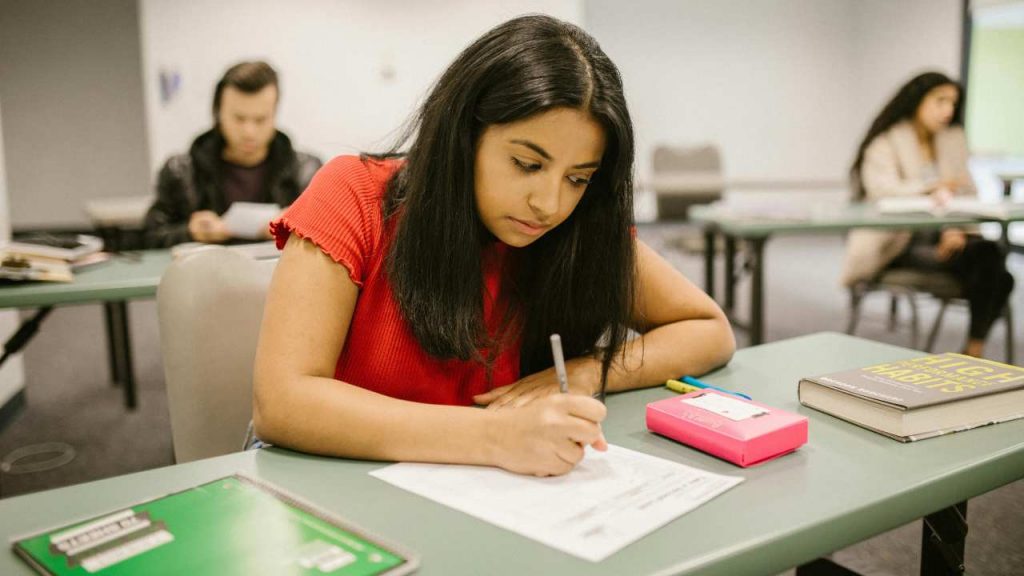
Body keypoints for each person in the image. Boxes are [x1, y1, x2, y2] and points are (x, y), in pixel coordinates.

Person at [252, 15, 735, 477]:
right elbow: (283, 403)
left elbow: (708, 330)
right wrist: (493, 436)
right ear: (464, 134)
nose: (549, 204)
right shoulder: (355, 194)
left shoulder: (579, 229)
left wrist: (590, 372)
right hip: (339, 488)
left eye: (578, 178)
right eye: (527, 164)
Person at [843, 71, 1014, 358]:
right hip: (898, 242)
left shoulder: (952, 140)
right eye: (940, 101)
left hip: (947, 238)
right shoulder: (886, 140)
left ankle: (973, 349)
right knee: (996, 270)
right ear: (917, 101)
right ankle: (974, 351)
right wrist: (930, 187)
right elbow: (881, 191)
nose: (947, 110)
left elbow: (965, 193)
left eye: (952, 103)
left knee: (992, 264)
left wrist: (956, 229)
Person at [143, 61, 322, 248]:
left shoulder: (306, 171)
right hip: (206, 274)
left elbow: (333, 239)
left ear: (275, 114)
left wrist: (295, 227)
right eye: (239, 118)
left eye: (260, 119)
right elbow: (148, 238)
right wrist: (190, 232)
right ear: (218, 113)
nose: (249, 131)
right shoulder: (181, 171)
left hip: (281, 274)